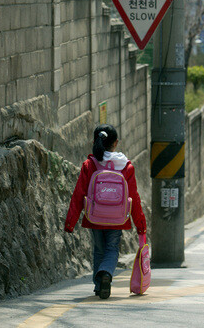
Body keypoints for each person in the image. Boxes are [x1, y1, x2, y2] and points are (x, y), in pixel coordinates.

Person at [64, 124, 147, 299]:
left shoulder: (90, 164)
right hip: (117, 217)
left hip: (95, 216)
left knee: (99, 249)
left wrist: (70, 222)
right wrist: (140, 225)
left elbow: (79, 194)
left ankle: (98, 284)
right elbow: (134, 197)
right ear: (116, 143)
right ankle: (106, 274)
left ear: (94, 142)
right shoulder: (126, 166)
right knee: (112, 249)